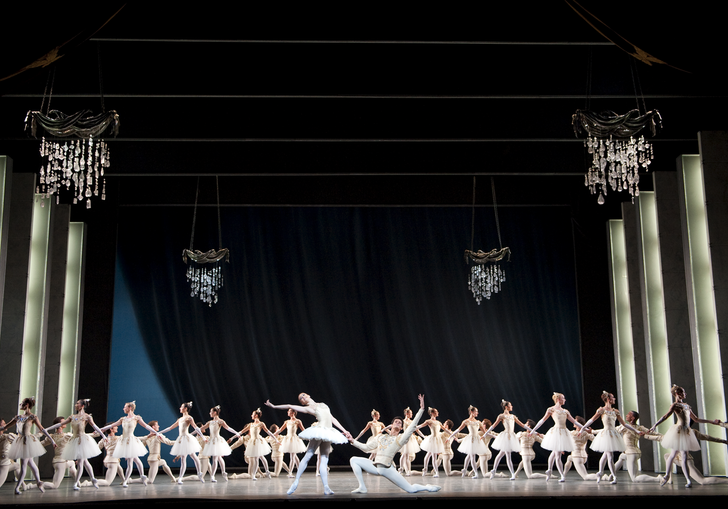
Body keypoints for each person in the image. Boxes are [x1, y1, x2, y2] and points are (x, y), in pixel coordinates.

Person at [347, 394, 441, 494]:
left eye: (400, 423)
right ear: (391, 425)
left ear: (401, 428)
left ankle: (428, 487)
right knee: (354, 460)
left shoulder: (400, 438)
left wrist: (421, 409)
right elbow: (366, 448)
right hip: (375, 467)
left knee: (410, 489)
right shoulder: (381, 436)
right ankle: (362, 487)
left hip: (387, 468)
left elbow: (413, 425)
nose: (397, 423)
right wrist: (352, 440)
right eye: (395, 421)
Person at [265, 393, 350, 495]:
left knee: (324, 459)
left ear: (308, 395)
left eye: (303, 395)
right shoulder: (308, 409)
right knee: (308, 455)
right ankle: (295, 482)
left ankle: (326, 487)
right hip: (319, 431)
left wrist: (345, 430)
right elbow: (289, 406)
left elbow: (332, 419)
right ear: (303, 402)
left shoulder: (323, 404)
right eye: (301, 398)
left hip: (328, 432)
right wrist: (274, 406)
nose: (303, 397)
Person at [650, 384, 721, 488]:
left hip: (686, 432)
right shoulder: (675, 405)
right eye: (683, 392)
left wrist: (712, 422)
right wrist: (655, 425)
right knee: (673, 454)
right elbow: (665, 416)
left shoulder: (687, 406)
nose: (685, 394)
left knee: (684, 456)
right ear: (677, 394)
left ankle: (688, 480)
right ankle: (666, 475)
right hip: (678, 431)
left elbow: (696, 419)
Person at [580, 391, 642, 484]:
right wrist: (583, 428)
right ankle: (614, 477)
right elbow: (591, 420)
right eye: (613, 397)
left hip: (613, 434)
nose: (614, 399)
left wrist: (636, 430)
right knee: (609, 456)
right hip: (606, 434)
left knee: (605, 455)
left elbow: (624, 424)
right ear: (608, 399)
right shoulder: (601, 410)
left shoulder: (615, 411)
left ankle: (600, 473)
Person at [0, 397, 56, 495]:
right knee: (30, 463)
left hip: (27, 441)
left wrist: (52, 440)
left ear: (26, 405)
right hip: (20, 441)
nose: (20, 405)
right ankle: (39, 482)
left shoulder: (33, 417)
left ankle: (17, 487)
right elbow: (5, 427)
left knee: (24, 465)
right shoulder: (17, 417)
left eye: (21, 403)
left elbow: (42, 429)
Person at [101, 401, 159, 487]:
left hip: (131, 441)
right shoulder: (122, 419)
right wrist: (101, 429)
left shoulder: (136, 418)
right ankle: (142, 476)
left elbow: (146, 426)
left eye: (125, 407)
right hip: (124, 441)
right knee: (135, 460)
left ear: (130, 408)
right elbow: (111, 425)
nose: (123, 409)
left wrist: (156, 433)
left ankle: (126, 480)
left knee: (131, 461)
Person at [530, 392, 583, 482]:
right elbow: (542, 421)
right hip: (556, 432)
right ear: (558, 399)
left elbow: (574, 422)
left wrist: (583, 428)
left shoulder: (565, 411)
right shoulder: (551, 410)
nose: (565, 400)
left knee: (555, 453)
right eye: (563, 398)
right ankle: (561, 475)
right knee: (557, 454)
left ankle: (549, 470)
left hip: (564, 432)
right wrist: (532, 430)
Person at [158, 401, 207, 484]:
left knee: (194, 457)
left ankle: (199, 473)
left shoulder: (189, 418)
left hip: (187, 439)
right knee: (183, 459)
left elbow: (196, 428)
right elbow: (170, 428)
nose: (180, 408)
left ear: (185, 409)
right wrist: (159, 432)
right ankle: (180, 478)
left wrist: (203, 437)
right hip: (181, 439)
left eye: (181, 407)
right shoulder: (180, 419)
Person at [484, 400, 532, 480]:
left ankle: (494, 470)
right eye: (510, 405)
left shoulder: (513, 416)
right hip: (506, 436)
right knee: (507, 456)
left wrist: (533, 430)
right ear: (506, 407)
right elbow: (493, 426)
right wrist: (486, 433)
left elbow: (522, 425)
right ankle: (512, 473)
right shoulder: (501, 416)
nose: (512, 406)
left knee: (500, 455)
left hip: (511, 436)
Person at [199, 405, 240, 482]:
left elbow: (228, 428)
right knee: (218, 458)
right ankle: (224, 472)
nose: (209, 413)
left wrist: (236, 433)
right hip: (211, 441)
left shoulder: (220, 421)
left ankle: (212, 476)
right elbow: (200, 429)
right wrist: (192, 433)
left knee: (215, 458)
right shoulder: (209, 422)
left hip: (217, 441)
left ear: (215, 412)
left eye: (211, 412)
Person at [416, 406, 448, 477]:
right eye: (436, 412)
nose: (438, 413)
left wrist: (452, 434)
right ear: (432, 413)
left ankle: (426, 469)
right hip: (432, 439)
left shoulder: (438, 422)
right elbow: (420, 426)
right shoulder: (429, 421)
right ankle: (434, 471)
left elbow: (445, 429)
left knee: (429, 455)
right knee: (433, 456)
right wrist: (414, 427)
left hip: (437, 440)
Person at [274, 408, 306, 477]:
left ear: (293, 413)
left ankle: (290, 472)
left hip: (294, 439)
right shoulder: (286, 422)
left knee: (292, 457)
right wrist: (274, 434)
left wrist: (308, 436)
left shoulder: (298, 421)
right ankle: (299, 470)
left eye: (289, 411)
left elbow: (303, 430)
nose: (288, 412)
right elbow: (280, 430)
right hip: (288, 439)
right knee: (294, 456)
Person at [398, 406, 421, 476]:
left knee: (406, 455)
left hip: (410, 439)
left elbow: (417, 430)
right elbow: (397, 428)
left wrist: (423, 436)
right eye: (411, 413)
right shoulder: (403, 421)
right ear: (407, 414)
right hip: (405, 438)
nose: (412, 414)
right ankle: (402, 469)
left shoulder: (412, 421)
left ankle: (406, 470)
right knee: (404, 455)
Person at [0, 419, 21, 489]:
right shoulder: (7, 436)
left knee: (17, 465)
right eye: (4, 423)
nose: (6, 425)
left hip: (4, 461)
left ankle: (23, 486)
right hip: (3, 461)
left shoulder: (6, 436)